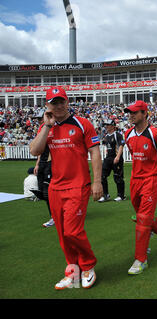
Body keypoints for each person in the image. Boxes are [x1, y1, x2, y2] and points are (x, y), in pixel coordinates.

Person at [29, 86, 102, 290]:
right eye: (54, 102)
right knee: (62, 234)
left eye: (61, 101)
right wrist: (46, 126)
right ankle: (73, 271)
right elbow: (35, 150)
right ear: (48, 105)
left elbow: (95, 153)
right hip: (56, 187)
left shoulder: (82, 123)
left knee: (72, 231)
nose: (58, 105)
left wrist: (97, 182)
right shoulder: (47, 127)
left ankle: (88, 266)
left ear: (67, 102)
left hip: (78, 185)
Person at [124, 100, 157, 275]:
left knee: (143, 218)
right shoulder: (128, 134)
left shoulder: (156, 134)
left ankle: (141, 259)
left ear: (145, 114)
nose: (131, 115)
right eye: (129, 112)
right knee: (141, 216)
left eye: (134, 112)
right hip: (135, 180)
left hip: (151, 179)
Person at [32, 109, 54, 227]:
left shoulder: (51, 129)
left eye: (41, 118)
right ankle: (55, 214)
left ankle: (54, 217)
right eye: (38, 119)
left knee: (47, 192)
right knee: (42, 191)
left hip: (50, 164)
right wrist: (37, 164)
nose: (40, 121)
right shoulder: (41, 130)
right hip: (43, 163)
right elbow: (39, 150)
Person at [98, 119, 126, 202]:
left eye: (108, 125)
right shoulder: (106, 136)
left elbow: (121, 146)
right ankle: (105, 195)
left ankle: (121, 195)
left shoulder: (118, 135)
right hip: (108, 158)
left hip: (116, 158)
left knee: (118, 177)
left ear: (113, 126)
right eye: (105, 125)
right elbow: (106, 146)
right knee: (102, 176)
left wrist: (117, 157)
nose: (106, 126)